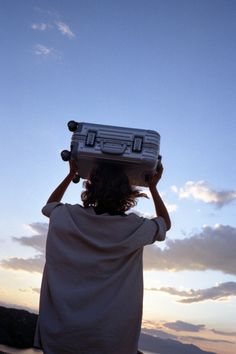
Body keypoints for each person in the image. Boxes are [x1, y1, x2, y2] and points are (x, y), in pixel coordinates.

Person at [34, 160, 171, 354]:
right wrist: (153, 188)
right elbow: (165, 223)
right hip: (108, 340)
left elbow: (49, 206)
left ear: (90, 187)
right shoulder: (135, 228)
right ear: (127, 194)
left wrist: (71, 174)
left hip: (61, 336)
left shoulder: (68, 216)